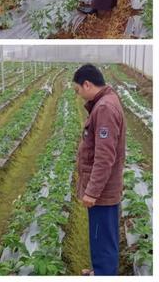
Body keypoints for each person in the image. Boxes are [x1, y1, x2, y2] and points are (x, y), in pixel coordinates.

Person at [73, 64, 126, 276]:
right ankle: (100, 270)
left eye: (78, 90)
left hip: (103, 193)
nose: (78, 95)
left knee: (102, 235)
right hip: (105, 190)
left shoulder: (104, 108)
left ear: (87, 84)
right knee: (101, 235)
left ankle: (104, 273)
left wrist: (92, 191)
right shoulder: (106, 102)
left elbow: (105, 157)